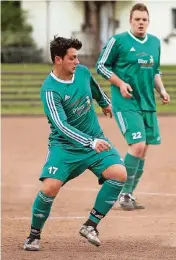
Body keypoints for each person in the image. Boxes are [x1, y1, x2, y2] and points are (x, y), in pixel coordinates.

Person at [23, 36, 127, 251]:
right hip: (66, 146)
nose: (77, 62)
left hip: (95, 139)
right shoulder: (50, 90)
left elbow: (94, 87)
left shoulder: (82, 73)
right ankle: (34, 235)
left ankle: (90, 225)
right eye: (72, 58)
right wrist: (90, 142)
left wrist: (104, 103)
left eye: (77, 57)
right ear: (58, 60)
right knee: (50, 187)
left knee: (119, 174)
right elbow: (61, 126)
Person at [96, 3, 170, 210]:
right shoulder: (118, 41)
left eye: (144, 19)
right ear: (130, 21)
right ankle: (121, 192)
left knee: (143, 149)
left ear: (148, 22)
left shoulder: (155, 42)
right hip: (125, 102)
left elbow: (156, 70)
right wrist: (120, 84)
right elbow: (101, 65)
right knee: (137, 145)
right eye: (137, 19)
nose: (140, 23)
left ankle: (128, 194)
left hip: (147, 103)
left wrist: (162, 90)